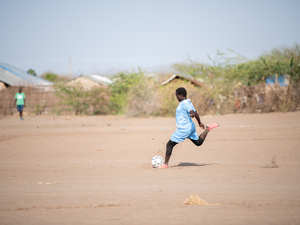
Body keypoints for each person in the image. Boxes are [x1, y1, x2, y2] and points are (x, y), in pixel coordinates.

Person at [158, 87, 219, 169]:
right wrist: (199, 122)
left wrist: (192, 115)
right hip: (190, 127)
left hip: (184, 128)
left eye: (177, 96)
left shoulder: (185, 103)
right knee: (198, 142)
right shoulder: (188, 102)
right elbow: (196, 113)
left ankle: (165, 164)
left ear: (181, 95)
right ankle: (208, 128)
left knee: (169, 144)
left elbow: (193, 113)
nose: (176, 98)